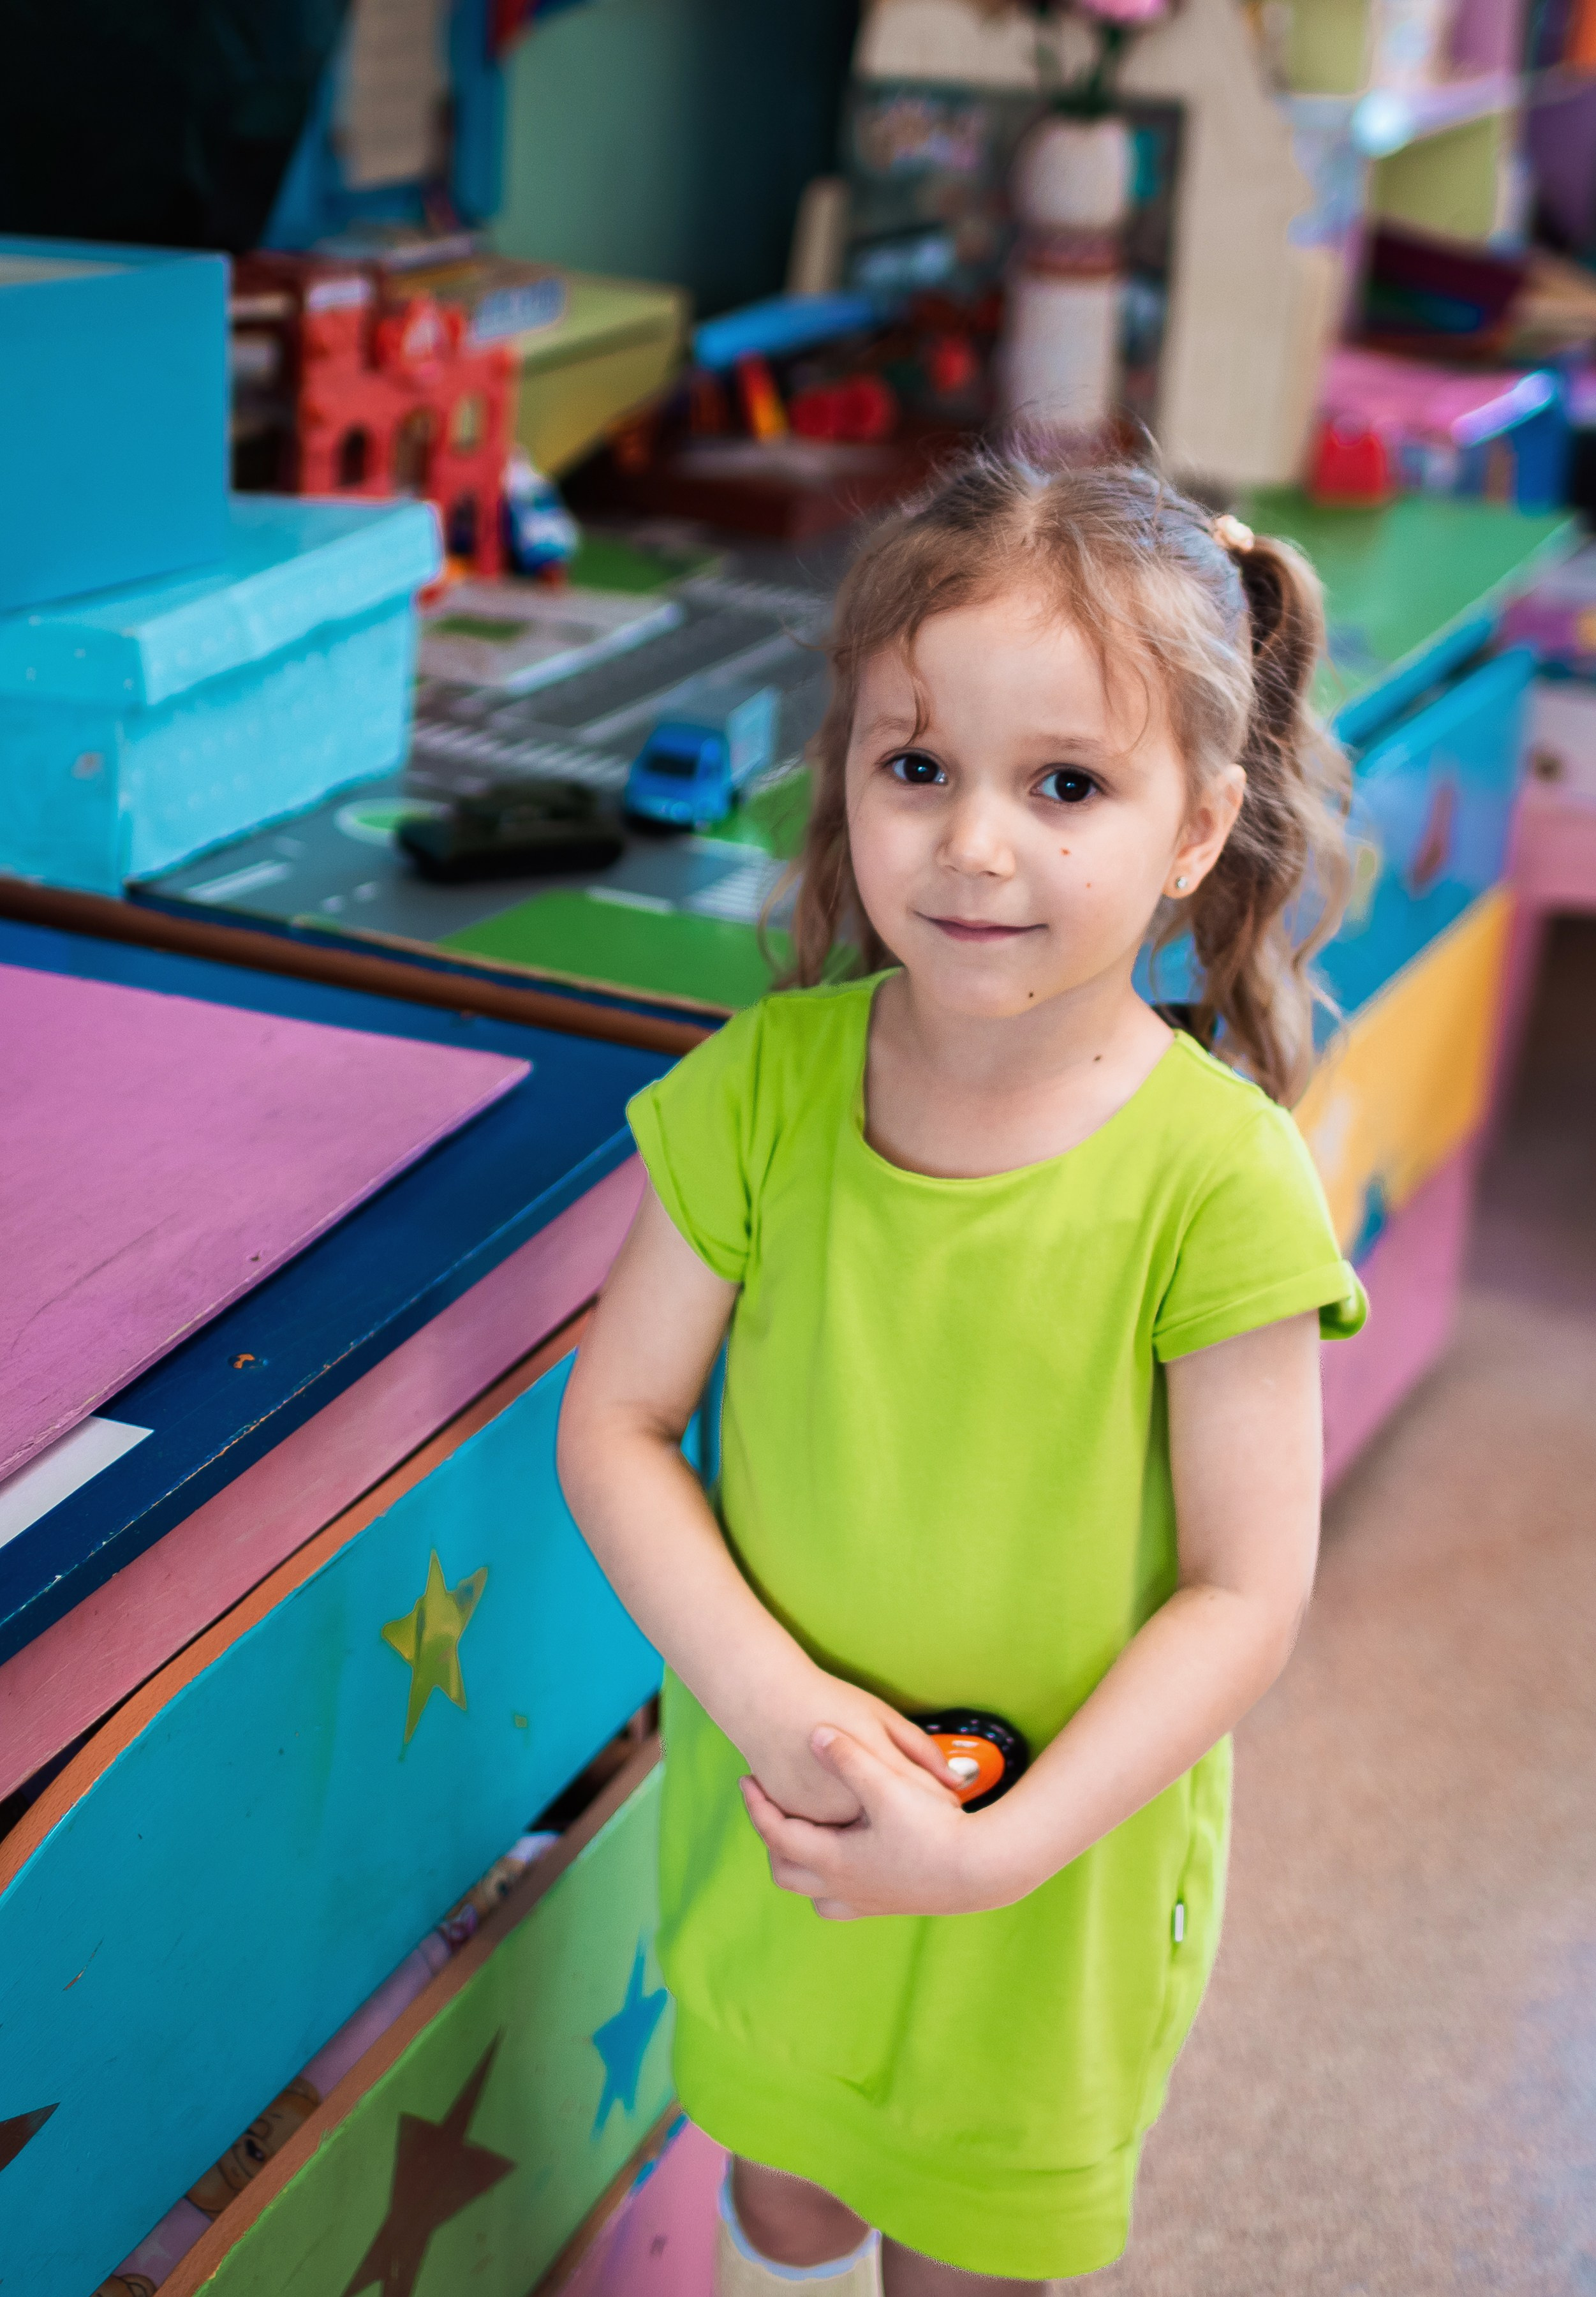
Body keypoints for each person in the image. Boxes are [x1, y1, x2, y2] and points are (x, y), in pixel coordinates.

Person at [557, 453, 1366, 2295]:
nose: (975, 843)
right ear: (849, 777)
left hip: (1046, 1897)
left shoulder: (1217, 1178)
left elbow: (1249, 1593)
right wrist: (780, 1714)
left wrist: (1001, 1857)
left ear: (1193, 828)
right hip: (788, 1838)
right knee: (781, 2201)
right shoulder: (763, 1089)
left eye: (1064, 784)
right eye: (920, 767)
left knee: (959, 2263)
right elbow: (614, 1424)